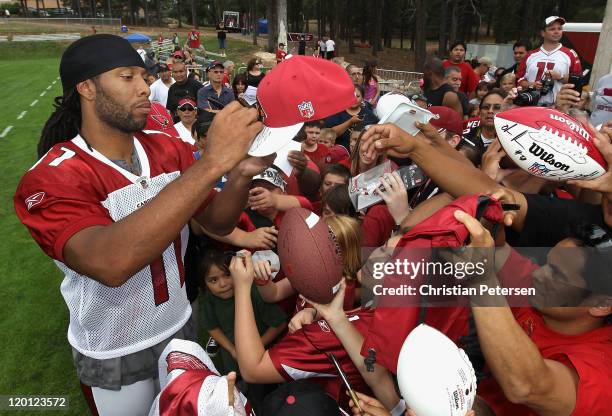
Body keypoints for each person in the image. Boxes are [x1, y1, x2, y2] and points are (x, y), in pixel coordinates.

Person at [14, 34, 271, 416]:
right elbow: (110, 262)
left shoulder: (165, 146)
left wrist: (240, 175)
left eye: (143, 75)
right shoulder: (51, 178)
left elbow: (215, 220)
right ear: (86, 88)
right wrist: (212, 163)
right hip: (115, 346)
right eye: (127, 76)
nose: (144, 86)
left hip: (178, 324)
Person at [200, 249, 286, 376]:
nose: (223, 284)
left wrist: (254, 348)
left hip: (261, 362)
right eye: (213, 280)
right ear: (204, 284)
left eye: (227, 274)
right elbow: (212, 327)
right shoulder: (209, 300)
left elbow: (280, 323)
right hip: (232, 362)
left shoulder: (254, 292)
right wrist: (232, 350)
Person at [516, 16, 582, 106]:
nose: (557, 31)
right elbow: (519, 80)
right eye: (552, 29)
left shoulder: (570, 54)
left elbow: (578, 81)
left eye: (559, 28)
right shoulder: (530, 55)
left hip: (557, 107)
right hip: (530, 106)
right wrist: (532, 84)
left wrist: (560, 76)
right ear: (543, 33)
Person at [325, 84, 378, 151]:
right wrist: (350, 122)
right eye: (351, 96)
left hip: (362, 154)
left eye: (358, 96)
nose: (354, 99)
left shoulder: (369, 114)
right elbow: (329, 134)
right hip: (340, 154)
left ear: (362, 98)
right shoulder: (337, 112)